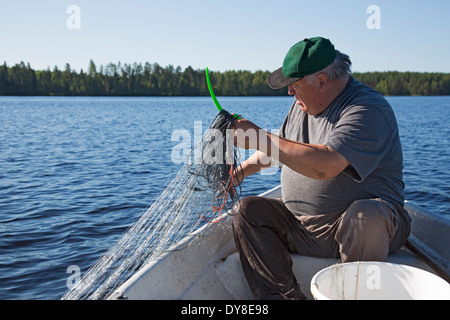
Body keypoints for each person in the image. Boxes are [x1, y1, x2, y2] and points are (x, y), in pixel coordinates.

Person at [230, 36, 411, 300]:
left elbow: (328, 165)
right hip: (302, 226)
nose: (289, 92)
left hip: (358, 229)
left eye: (294, 85)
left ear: (323, 81)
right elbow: (282, 152)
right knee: (246, 210)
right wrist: (239, 173)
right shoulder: (301, 106)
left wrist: (259, 136)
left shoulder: (367, 108)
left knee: (365, 215)